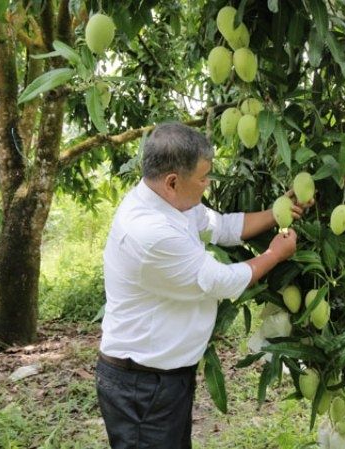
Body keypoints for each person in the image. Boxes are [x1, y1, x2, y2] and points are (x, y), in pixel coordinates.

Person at [96, 122, 309, 449]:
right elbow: (219, 281)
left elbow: (221, 227)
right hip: (142, 385)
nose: (207, 185)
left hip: (164, 377)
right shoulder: (152, 232)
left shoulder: (168, 203)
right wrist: (275, 255)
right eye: (203, 178)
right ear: (172, 181)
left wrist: (279, 210)